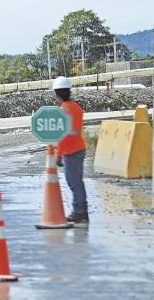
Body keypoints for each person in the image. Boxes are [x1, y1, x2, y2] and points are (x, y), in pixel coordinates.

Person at [52, 76, 89, 224]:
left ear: (56, 93)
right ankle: (82, 210)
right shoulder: (76, 107)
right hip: (79, 148)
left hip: (70, 151)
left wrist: (58, 155)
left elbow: (63, 135)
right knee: (78, 181)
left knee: (74, 182)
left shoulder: (63, 110)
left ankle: (79, 212)